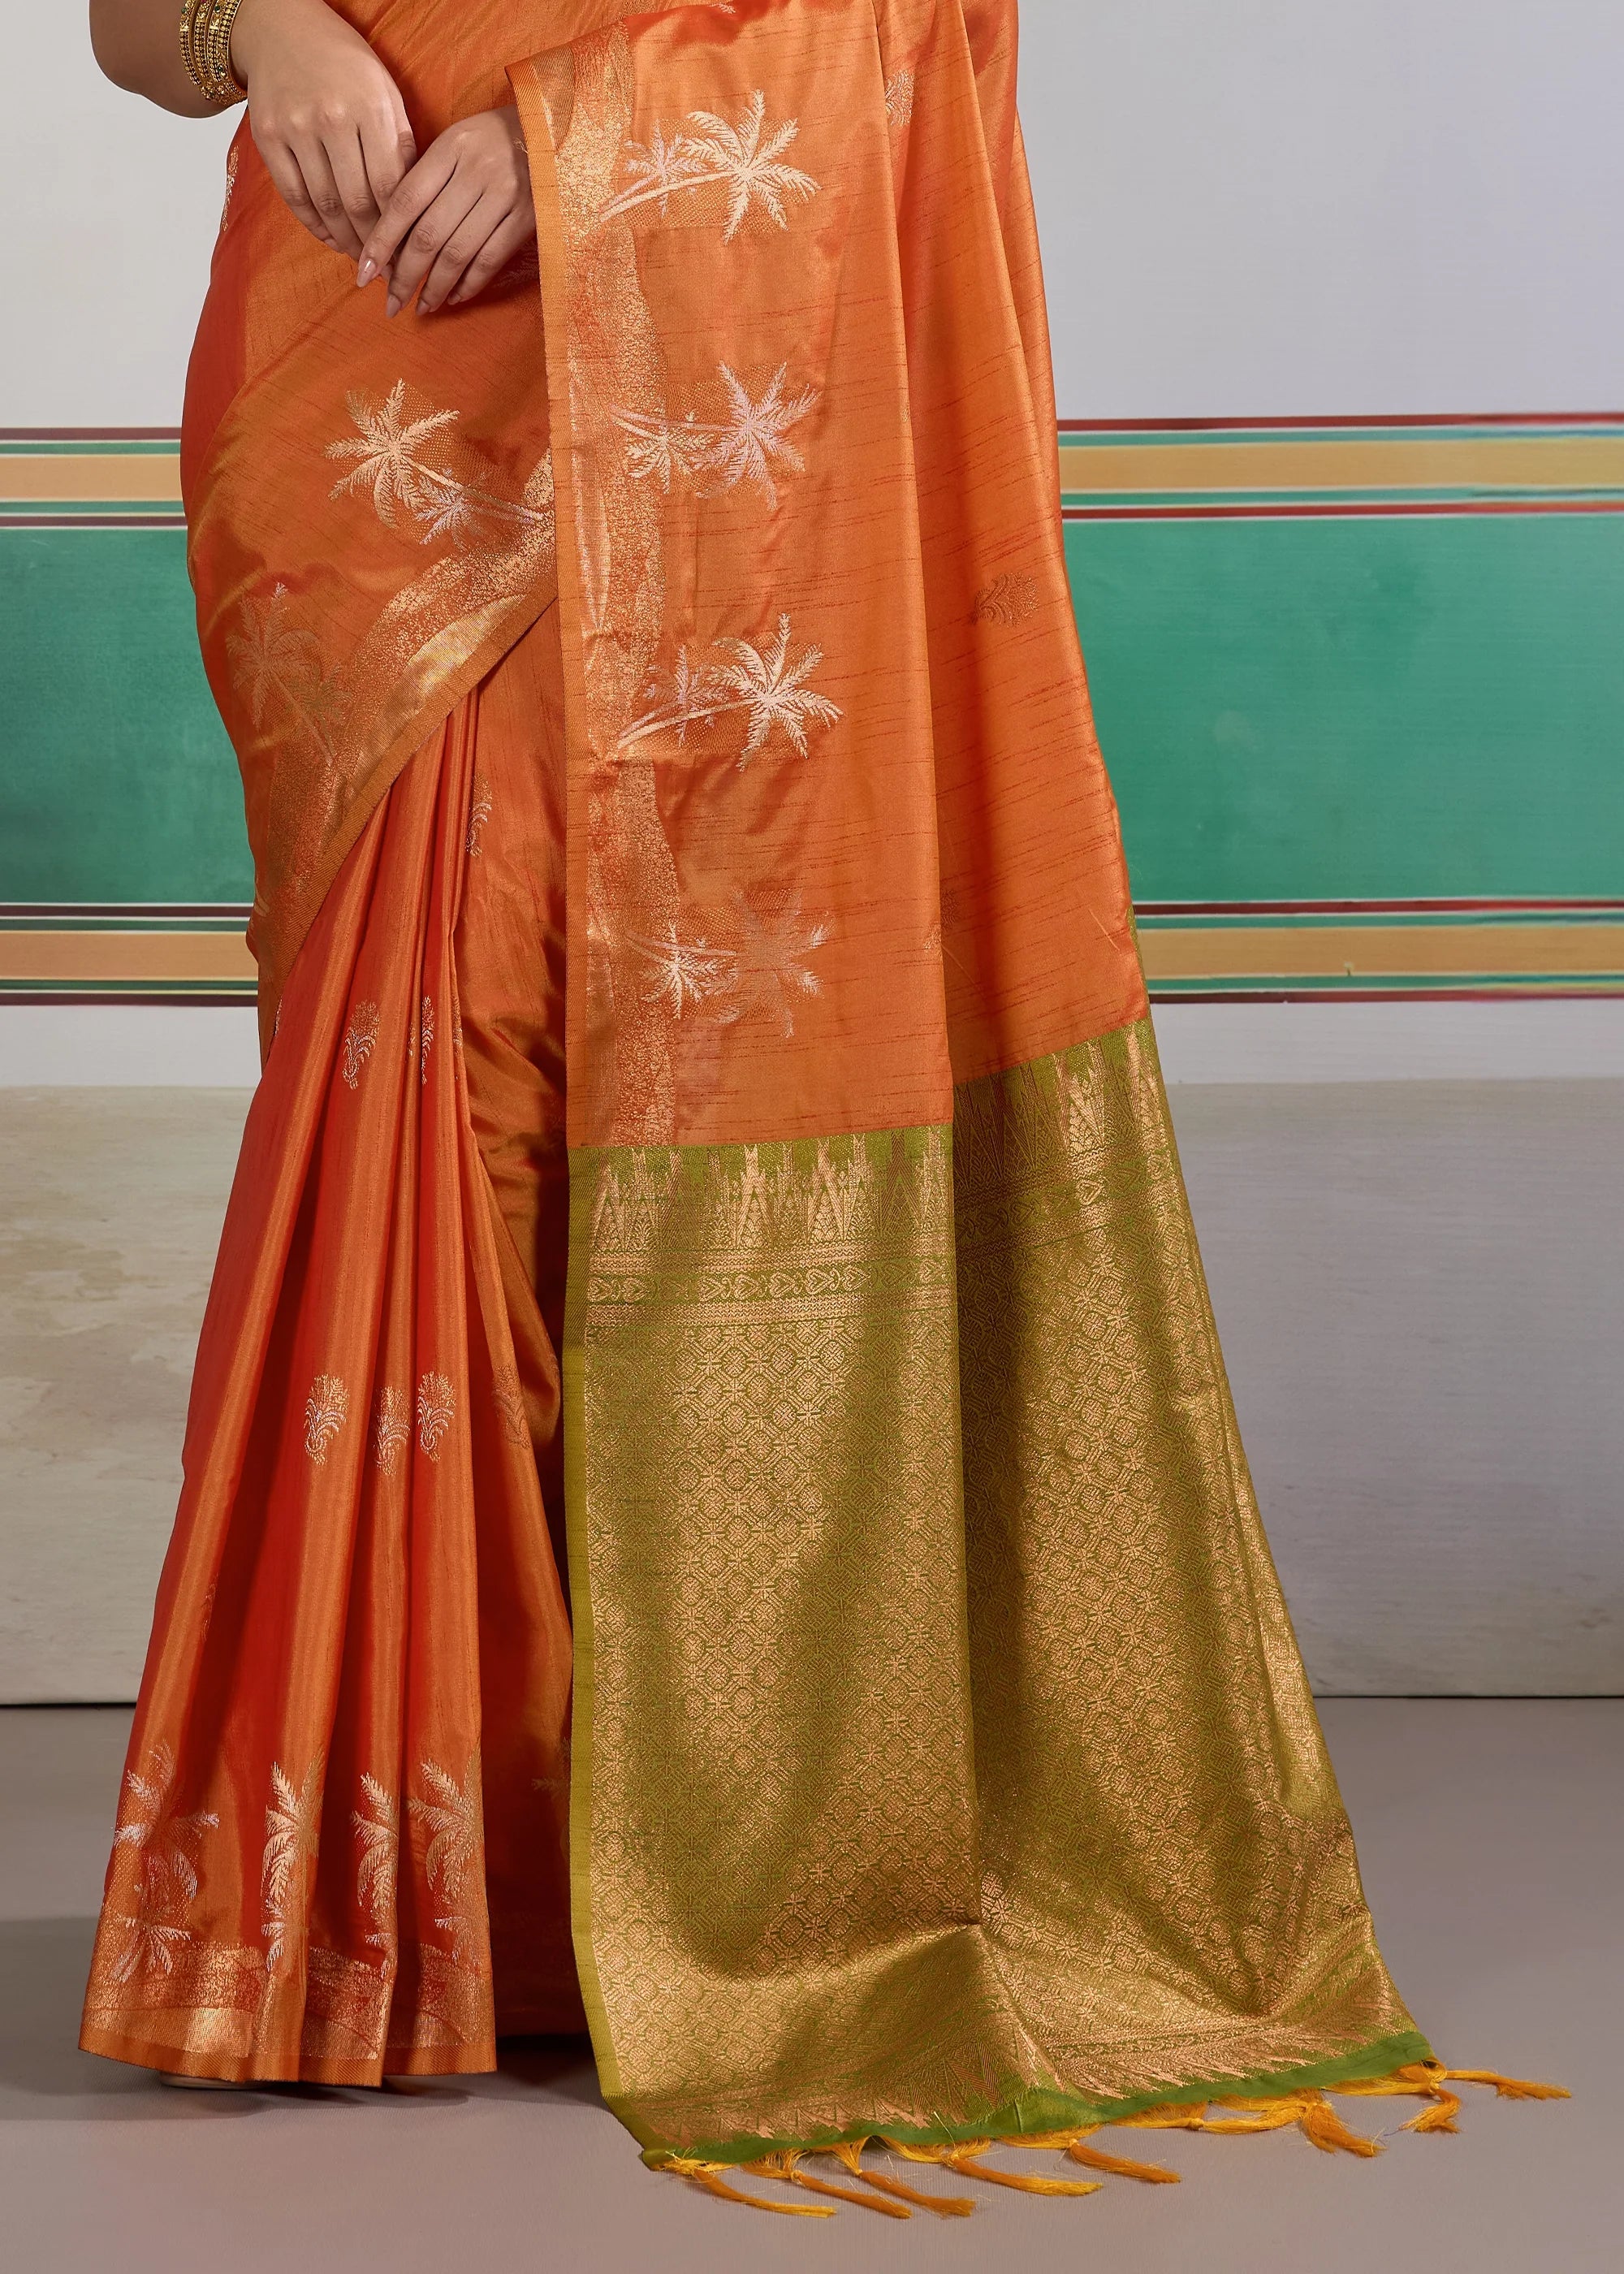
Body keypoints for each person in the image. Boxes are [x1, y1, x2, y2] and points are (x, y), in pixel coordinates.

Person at [80, 0, 1558, 2217]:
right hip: (368, 400)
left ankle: (702, 1857)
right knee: (431, 1099)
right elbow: (136, 30)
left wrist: (580, 143)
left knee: (547, 1066)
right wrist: (267, 28)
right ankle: (413, 1894)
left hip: (700, 402)